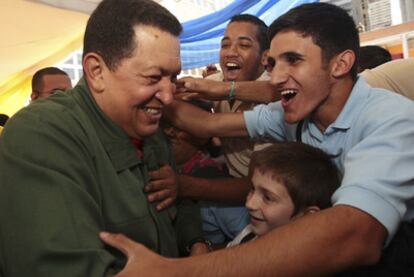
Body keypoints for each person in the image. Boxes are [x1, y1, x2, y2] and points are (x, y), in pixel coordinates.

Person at [100, 3, 414, 276]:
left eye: (294, 60)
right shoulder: (292, 114)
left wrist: (178, 271)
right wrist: (151, 91)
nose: (276, 79)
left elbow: (358, 235)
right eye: (273, 64)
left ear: (340, 64)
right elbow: (207, 123)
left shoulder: (391, 120)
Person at [0, 1, 208, 276]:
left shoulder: (148, 128)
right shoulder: (42, 134)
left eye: (173, 78)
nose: (168, 96)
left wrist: (195, 243)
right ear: (96, 71)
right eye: (152, 77)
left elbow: (176, 205)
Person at [174, 14, 272, 244]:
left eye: (244, 45)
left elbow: (255, 186)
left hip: (262, 202)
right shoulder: (217, 82)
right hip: (229, 189)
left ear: (264, 58)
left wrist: (185, 186)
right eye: (225, 44)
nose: (231, 51)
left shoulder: (274, 101)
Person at [227, 142, 340, 247]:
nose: (249, 204)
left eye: (267, 198)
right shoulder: (251, 231)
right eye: (252, 189)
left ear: (307, 216)